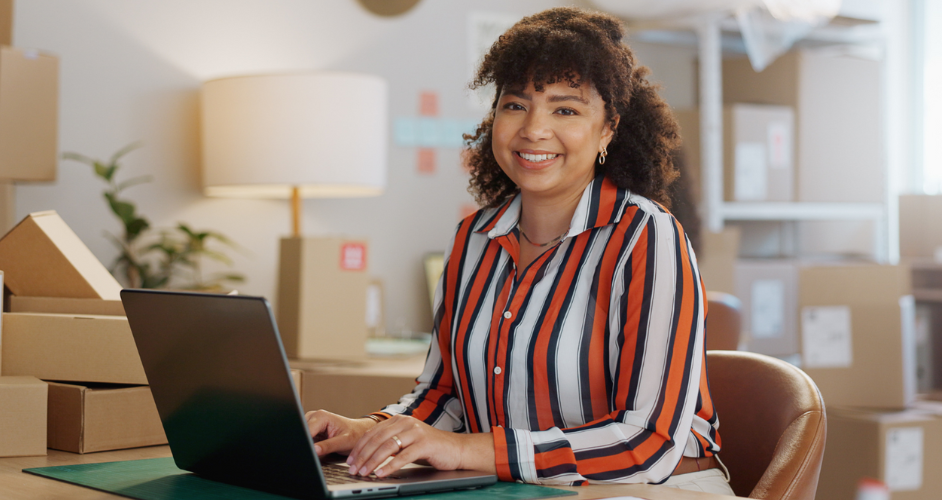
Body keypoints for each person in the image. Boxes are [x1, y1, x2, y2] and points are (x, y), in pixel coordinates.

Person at [305, 7, 732, 495]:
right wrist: (373, 430)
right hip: (525, 487)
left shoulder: (646, 237)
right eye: (515, 105)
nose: (534, 128)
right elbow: (445, 395)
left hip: (652, 489)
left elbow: (648, 444)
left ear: (608, 129)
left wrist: (469, 449)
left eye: (565, 109)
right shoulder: (474, 237)